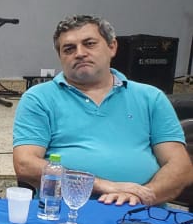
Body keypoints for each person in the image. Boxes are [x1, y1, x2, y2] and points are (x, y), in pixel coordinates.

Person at [13, 14, 191, 206]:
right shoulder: (39, 98)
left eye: (89, 44)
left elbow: (180, 167)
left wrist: (139, 196)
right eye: (69, 49)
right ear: (60, 57)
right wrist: (101, 185)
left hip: (140, 213)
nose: (79, 53)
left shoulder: (151, 98)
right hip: (64, 212)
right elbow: (25, 164)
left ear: (112, 47)